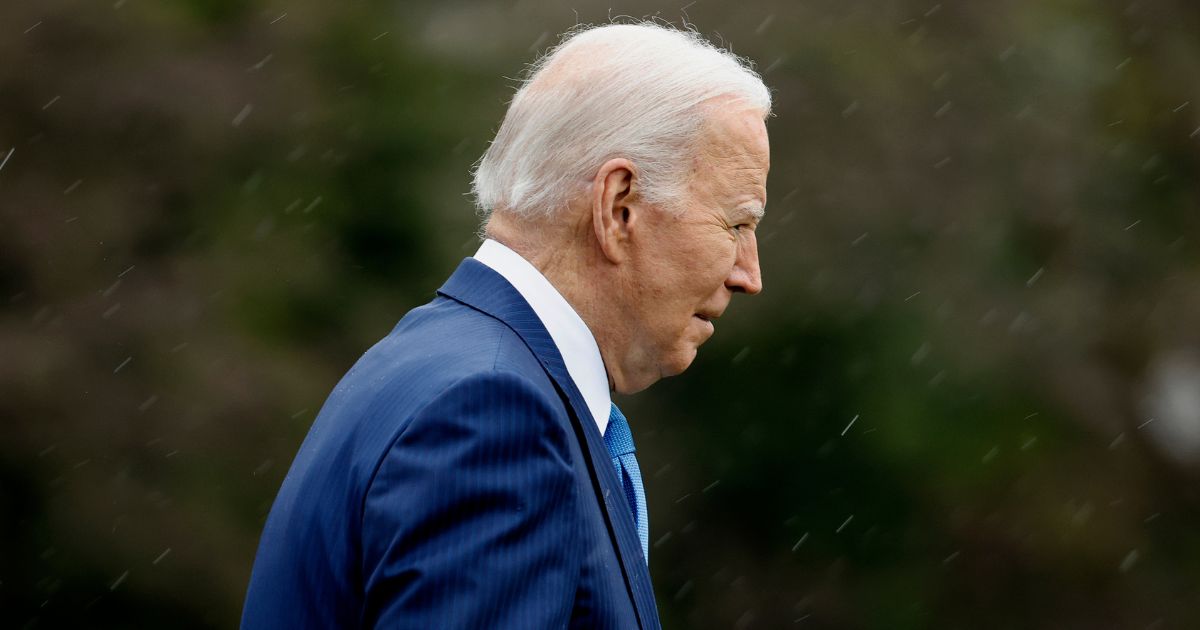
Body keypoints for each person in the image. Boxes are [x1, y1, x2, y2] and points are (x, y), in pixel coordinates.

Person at [241, 21, 770, 629]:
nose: (748, 274)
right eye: (735, 225)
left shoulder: (435, 368)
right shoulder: (494, 412)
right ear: (618, 206)